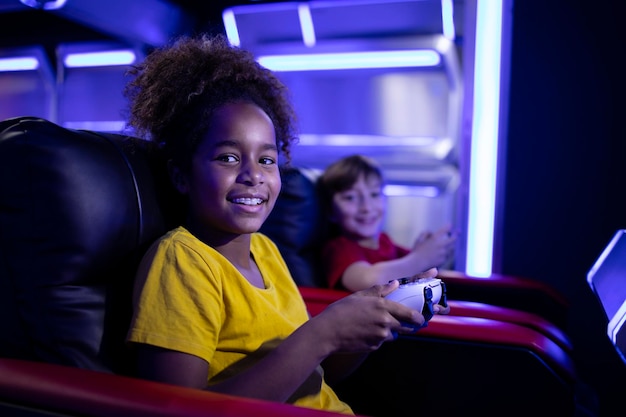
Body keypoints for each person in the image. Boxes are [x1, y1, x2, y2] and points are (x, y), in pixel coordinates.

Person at [123, 34, 439, 414]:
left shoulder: (266, 252)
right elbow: (178, 411)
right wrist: (323, 332)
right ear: (181, 175)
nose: (253, 175)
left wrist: (368, 328)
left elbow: (312, 376)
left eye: (267, 160)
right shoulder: (182, 261)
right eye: (227, 157)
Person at [318, 154, 457, 293]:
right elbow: (368, 280)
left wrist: (432, 252)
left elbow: (411, 265)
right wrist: (420, 259)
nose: (366, 207)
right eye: (350, 197)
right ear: (330, 210)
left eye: (374, 194)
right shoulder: (339, 248)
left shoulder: (384, 242)